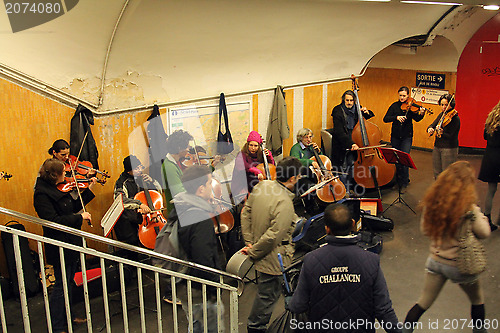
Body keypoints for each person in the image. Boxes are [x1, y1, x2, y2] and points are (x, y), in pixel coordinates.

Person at [402, 161, 491, 333]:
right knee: (477, 299)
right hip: (459, 265)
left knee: (423, 303)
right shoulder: (469, 209)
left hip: (435, 262)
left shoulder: (433, 204)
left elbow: (425, 230)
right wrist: (481, 217)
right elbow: (485, 233)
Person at [288, 203, 401, 333]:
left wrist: (290, 300)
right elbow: (383, 310)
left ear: (327, 229)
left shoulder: (311, 260)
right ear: (353, 223)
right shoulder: (371, 260)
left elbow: (297, 306)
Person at [240, 157, 302, 333]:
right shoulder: (285, 203)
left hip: (258, 250)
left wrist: (250, 242)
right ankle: (256, 328)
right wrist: (254, 252)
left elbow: (246, 213)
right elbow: (273, 237)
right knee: (268, 296)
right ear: (293, 179)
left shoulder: (261, 186)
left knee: (266, 292)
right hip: (273, 258)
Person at [34, 158, 96, 333]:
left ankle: (69, 316)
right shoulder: (41, 194)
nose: (67, 175)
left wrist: (88, 190)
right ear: (55, 175)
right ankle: (58, 325)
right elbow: (53, 221)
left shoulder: (55, 187)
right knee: (61, 285)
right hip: (59, 244)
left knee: (69, 282)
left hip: (70, 241)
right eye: (64, 173)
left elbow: (73, 205)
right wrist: (79, 218)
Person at [172, 165, 223, 333]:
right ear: (201, 189)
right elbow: (204, 260)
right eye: (209, 183)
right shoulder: (200, 219)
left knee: (195, 324)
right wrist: (215, 288)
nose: (212, 186)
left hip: (184, 283)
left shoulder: (180, 207)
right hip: (200, 290)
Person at [113, 155, 162, 247]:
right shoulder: (121, 183)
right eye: (136, 168)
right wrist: (139, 204)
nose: (140, 170)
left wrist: (152, 181)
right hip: (129, 220)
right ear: (128, 171)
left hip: (144, 217)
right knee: (133, 242)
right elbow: (121, 200)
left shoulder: (142, 178)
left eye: (140, 167)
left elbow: (157, 193)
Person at [330, 90, 375, 189]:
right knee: (343, 168)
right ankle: (343, 190)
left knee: (353, 166)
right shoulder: (337, 110)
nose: (349, 103)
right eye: (347, 100)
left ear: (354, 100)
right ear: (343, 100)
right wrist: (351, 144)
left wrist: (367, 112)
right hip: (342, 143)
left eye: (351, 100)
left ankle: (353, 187)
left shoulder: (357, 108)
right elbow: (339, 132)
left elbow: (367, 116)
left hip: (355, 141)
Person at [383, 87, 425, 192]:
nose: (402, 98)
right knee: (396, 159)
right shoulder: (394, 106)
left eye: (404, 96)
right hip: (395, 136)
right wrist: (396, 117)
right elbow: (385, 118)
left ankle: (404, 182)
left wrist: (422, 113)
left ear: (408, 96)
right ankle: (398, 181)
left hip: (407, 136)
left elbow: (417, 118)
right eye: (400, 95)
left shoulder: (411, 107)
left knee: (404, 158)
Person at [231, 130, 275, 198]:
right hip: (243, 183)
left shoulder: (261, 154)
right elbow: (244, 166)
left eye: (256, 146)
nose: (253, 148)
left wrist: (269, 156)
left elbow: (272, 166)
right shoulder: (241, 154)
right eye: (251, 145)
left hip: (256, 183)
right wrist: (257, 171)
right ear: (247, 145)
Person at [478, 100, 500, 231]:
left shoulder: (490, 120)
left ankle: (487, 219)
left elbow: (485, 137)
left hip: (489, 157)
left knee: (491, 191)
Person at [427, 94, 460, 179]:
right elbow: (432, 124)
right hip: (437, 146)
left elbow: (452, 135)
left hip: (449, 148)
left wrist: (442, 132)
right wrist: (430, 128)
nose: (444, 107)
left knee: (447, 173)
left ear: (451, 104)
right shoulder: (442, 115)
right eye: (442, 105)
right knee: (437, 172)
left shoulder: (455, 118)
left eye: (446, 104)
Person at [289, 128, 322, 214]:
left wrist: (319, 152)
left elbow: (322, 160)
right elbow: (296, 161)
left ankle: (323, 206)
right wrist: (310, 162)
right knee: (310, 187)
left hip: (314, 174)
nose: (309, 140)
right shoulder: (295, 148)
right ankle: (311, 210)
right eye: (306, 137)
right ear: (300, 138)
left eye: (310, 137)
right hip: (301, 176)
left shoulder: (311, 147)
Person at [162, 130, 194, 212]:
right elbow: (180, 194)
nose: (188, 149)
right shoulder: (169, 167)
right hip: (178, 213)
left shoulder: (174, 163)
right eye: (187, 146)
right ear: (179, 148)